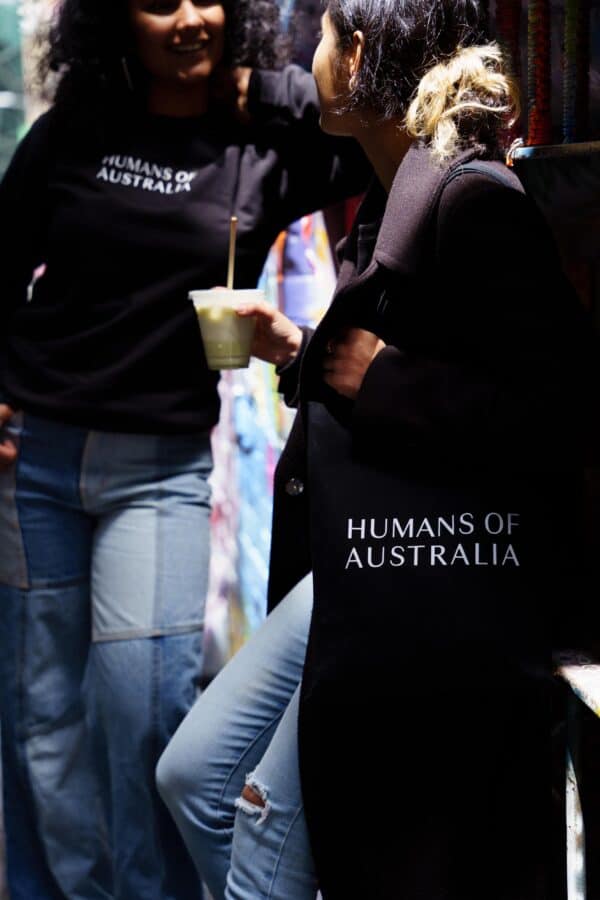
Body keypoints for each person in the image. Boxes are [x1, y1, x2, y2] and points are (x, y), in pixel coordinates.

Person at [159, 0, 597, 897]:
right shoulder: (393, 196)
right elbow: (401, 359)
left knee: (258, 837)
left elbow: (563, 412)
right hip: (362, 563)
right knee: (195, 775)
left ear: (357, 56)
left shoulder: (472, 199)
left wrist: (377, 379)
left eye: (321, 35)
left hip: (421, 584)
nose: (307, 53)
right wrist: (304, 350)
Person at [0, 1, 369, 898]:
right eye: (159, 2)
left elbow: (366, 140)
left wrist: (269, 84)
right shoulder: (71, 132)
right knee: (40, 726)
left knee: (144, 721)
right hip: (37, 458)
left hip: (159, 470)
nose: (190, 18)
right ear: (113, 19)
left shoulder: (262, 146)